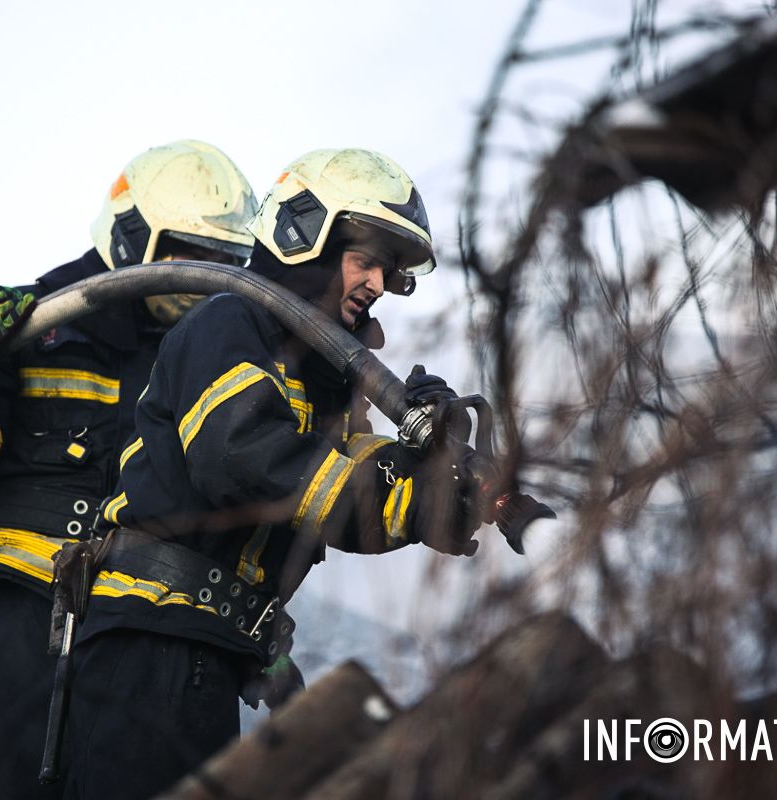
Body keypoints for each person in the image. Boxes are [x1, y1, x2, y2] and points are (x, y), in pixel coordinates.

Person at [60, 148, 490, 799]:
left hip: (206, 646)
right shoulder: (229, 323)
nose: (378, 283)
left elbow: (355, 495)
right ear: (305, 237)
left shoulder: (324, 379)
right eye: (366, 260)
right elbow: (242, 459)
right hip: (151, 645)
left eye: (391, 272)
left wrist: (428, 488)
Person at [0, 140, 258, 800]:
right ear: (132, 237)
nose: (205, 278)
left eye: (225, 264)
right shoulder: (38, 324)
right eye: (190, 253)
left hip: (156, 641)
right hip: (11, 626)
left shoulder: (226, 361)